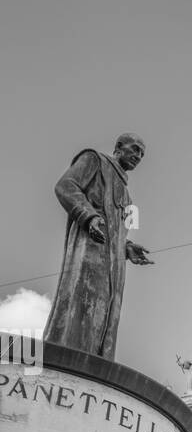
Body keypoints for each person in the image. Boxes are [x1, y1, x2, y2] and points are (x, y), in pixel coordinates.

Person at [44, 133, 154, 360]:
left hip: (113, 269)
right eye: (134, 149)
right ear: (118, 147)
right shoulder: (94, 159)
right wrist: (88, 216)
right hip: (89, 253)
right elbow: (65, 186)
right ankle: (67, 362)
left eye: (141, 154)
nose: (138, 156)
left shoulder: (129, 199)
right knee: (80, 310)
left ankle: (94, 367)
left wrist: (127, 248)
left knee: (104, 317)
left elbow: (121, 233)